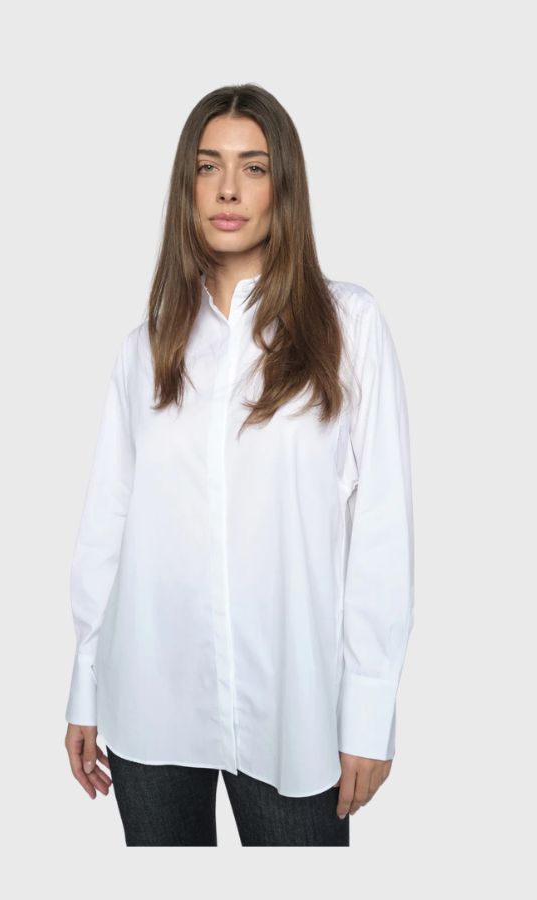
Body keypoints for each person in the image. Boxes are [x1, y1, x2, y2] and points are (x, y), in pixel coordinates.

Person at [63, 83, 415, 847]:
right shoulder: (146, 349)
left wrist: (369, 709)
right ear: (186, 188)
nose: (228, 189)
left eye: (253, 167)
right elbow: (107, 528)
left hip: (292, 712)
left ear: (283, 186)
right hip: (149, 703)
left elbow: (382, 532)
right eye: (207, 166)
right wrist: (84, 686)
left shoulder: (348, 327)